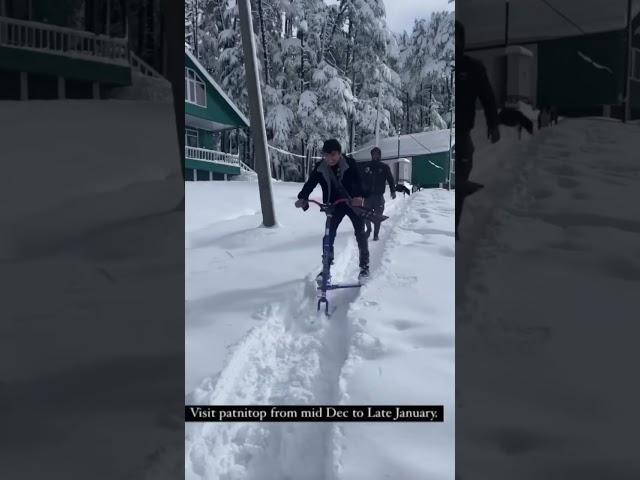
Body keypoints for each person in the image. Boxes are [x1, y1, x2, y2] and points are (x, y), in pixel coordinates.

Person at [295, 139, 370, 279]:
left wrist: (359, 196)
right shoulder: (320, 167)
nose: (330, 158)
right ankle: (326, 268)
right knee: (328, 235)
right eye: (326, 154)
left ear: (340, 153)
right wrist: (302, 197)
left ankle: (364, 266)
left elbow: (360, 181)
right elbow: (310, 183)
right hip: (333, 205)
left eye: (333, 154)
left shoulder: (350, 163)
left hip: (352, 203)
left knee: (360, 233)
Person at [455, 20, 500, 241]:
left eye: (457, 38)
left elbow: (488, 97)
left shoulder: (473, 68)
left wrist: (493, 124)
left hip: (463, 135)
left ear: (463, 41)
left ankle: (453, 227)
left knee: (460, 184)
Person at [361, 147, 396, 241]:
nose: (375, 156)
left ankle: (376, 234)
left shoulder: (384, 167)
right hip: (367, 196)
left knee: (378, 216)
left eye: (377, 154)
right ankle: (368, 229)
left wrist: (393, 191)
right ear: (371, 155)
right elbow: (361, 180)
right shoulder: (366, 166)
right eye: (374, 154)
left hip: (379, 197)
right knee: (366, 216)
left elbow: (391, 180)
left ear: (380, 155)